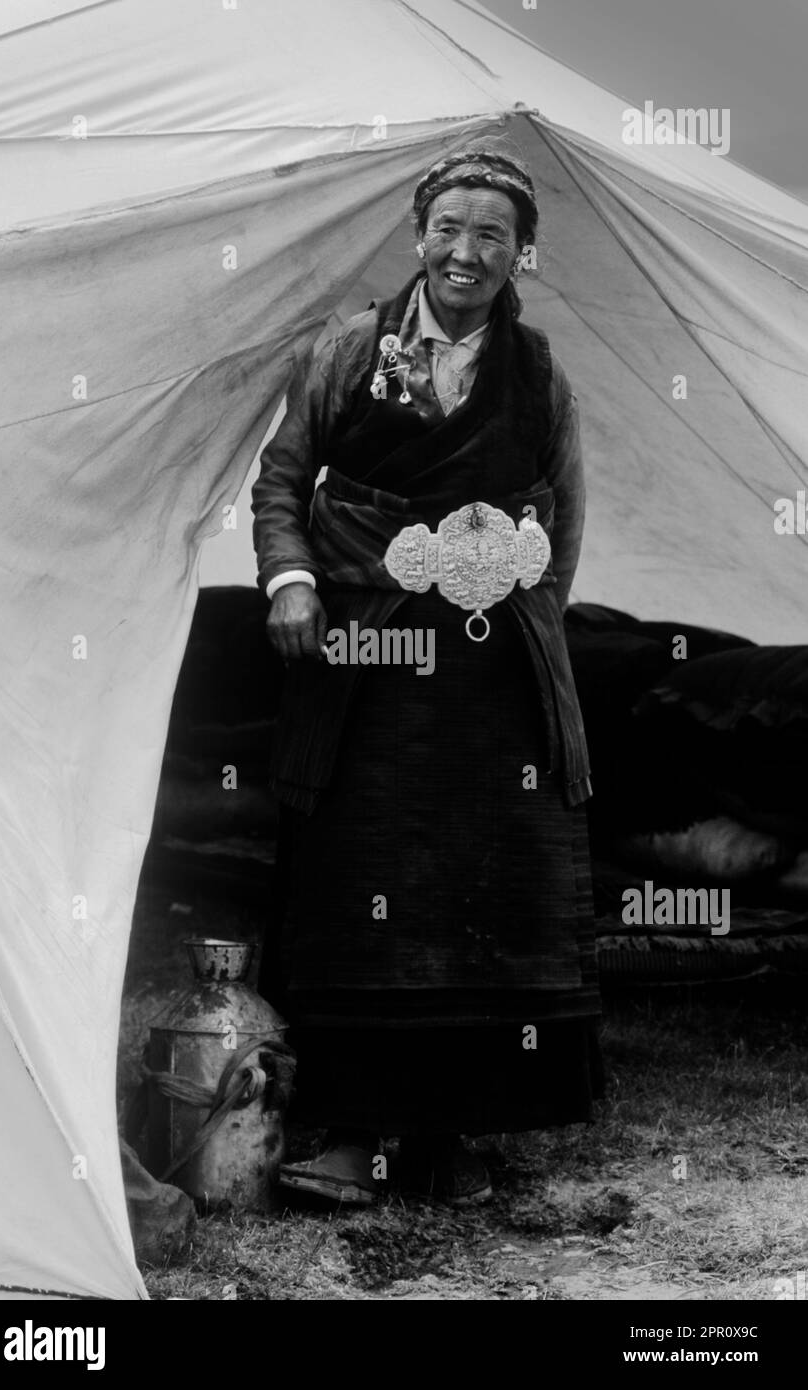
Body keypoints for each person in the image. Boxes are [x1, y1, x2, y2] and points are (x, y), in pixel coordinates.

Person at [251, 146, 601, 1207]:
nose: (466, 251)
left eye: (491, 233)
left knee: (481, 885)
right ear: (418, 235)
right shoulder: (348, 347)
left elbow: (564, 513)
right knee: (364, 884)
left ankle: (454, 1138)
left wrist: (520, 601)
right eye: (449, 227)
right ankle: (356, 1131)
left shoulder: (537, 371)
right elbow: (280, 477)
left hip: (487, 675)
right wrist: (291, 583)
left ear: (519, 252)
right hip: (364, 658)